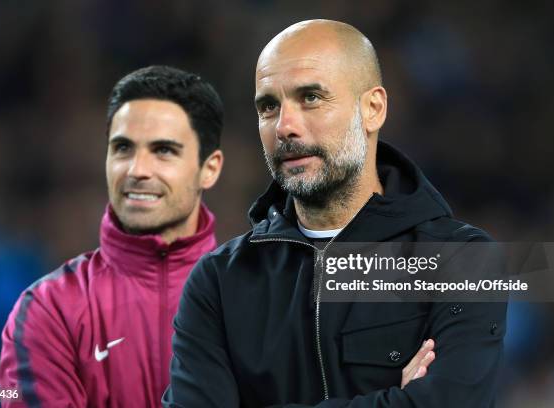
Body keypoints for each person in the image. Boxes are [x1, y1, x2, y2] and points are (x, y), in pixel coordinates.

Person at [163, 20, 506, 407]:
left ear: (373, 109)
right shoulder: (218, 282)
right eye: (268, 106)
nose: (284, 126)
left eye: (310, 97)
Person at [0, 65, 224, 407]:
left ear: (209, 168)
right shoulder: (49, 308)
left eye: (163, 150)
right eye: (123, 148)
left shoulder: (254, 296)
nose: (137, 170)